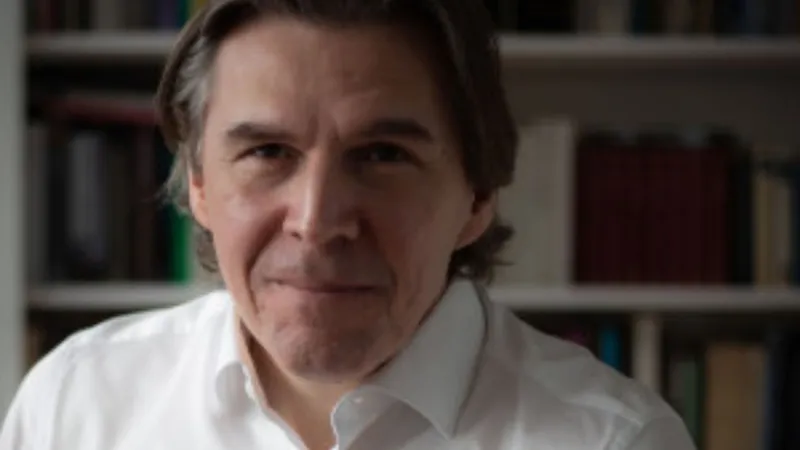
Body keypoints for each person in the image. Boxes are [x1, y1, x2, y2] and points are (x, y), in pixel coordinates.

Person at [1, 0, 696, 449]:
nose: (317, 222)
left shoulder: (614, 441)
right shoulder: (76, 405)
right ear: (200, 185)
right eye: (267, 152)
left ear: (478, 196)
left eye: (382, 155)